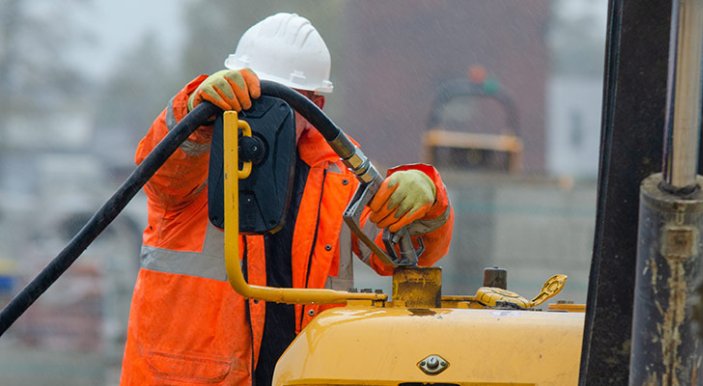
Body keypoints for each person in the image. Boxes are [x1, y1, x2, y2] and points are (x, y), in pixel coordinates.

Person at [119, 13, 453, 386]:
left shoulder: (341, 175)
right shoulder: (198, 151)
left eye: (281, 100)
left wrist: (427, 197)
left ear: (316, 108)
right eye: (256, 94)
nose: (263, 111)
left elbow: (402, 253)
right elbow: (161, 174)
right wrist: (193, 108)